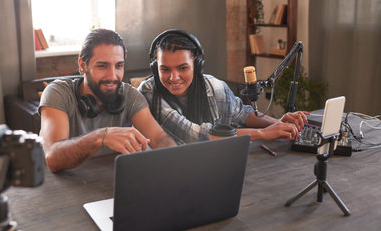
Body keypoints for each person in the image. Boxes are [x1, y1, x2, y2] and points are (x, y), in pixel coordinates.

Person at [138, 29, 309, 144]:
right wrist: (264, 133)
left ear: (197, 65)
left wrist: (278, 123)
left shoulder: (214, 86)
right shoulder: (148, 93)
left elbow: (241, 113)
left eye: (183, 68)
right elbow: (197, 136)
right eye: (165, 69)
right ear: (155, 68)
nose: (173, 77)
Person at [39, 28, 175, 173]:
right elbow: (53, 158)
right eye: (102, 66)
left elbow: (159, 138)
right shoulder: (58, 92)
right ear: (83, 65)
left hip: (106, 183)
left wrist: (174, 159)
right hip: (57, 185)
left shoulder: (130, 95)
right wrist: (100, 136)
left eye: (119, 66)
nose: (112, 76)